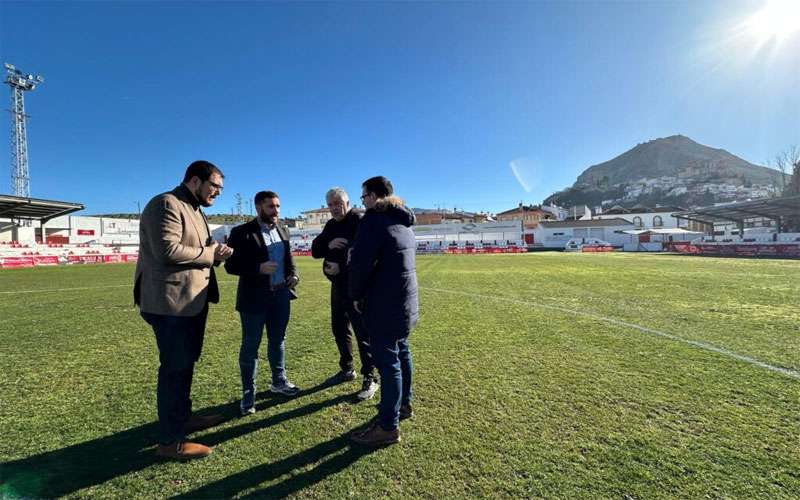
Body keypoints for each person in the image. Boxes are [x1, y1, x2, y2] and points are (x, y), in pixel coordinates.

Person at [135, 160, 233, 460]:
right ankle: (169, 442)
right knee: (174, 370)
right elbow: (168, 250)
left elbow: (197, 253)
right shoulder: (166, 203)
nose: (217, 192)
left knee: (185, 364)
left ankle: (183, 418)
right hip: (170, 304)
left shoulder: (195, 210)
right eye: (214, 186)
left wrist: (217, 255)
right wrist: (210, 253)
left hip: (190, 302)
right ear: (194, 181)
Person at [349, 176, 418, 446]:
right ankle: (404, 406)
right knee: (402, 352)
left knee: (388, 363)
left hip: (383, 303)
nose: (362, 202)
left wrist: (355, 294)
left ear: (374, 195)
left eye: (363, 196)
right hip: (403, 302)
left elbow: (361, 265)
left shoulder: (374, 221)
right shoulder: (404, 222)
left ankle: (388, 426)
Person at [224, 190, 301, 415]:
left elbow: (290, 260)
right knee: (250, 346)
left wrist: (294, 276)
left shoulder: (283, 229)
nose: (276, 211)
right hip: (253, 299)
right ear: (258, 208)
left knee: (278, 341)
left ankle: (279, 381)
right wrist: (258, 268)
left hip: (281, 296)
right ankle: (249, 394)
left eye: (278, 206)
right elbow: (231, 266)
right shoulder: (242, 233)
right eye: (271, 207)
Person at [311, 187, 378, 400]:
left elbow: (366, 253)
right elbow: (315, 250)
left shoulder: (360, 220)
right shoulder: (331, 225)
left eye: (338, 204)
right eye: (330, 205)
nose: (334, 208)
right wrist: (328, 243)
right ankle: (347, 368)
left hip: (358, 287)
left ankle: (371, 376)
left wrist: (342, 262)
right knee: (339, 328)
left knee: (363, 333)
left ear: (348, 203)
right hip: (338, 287)